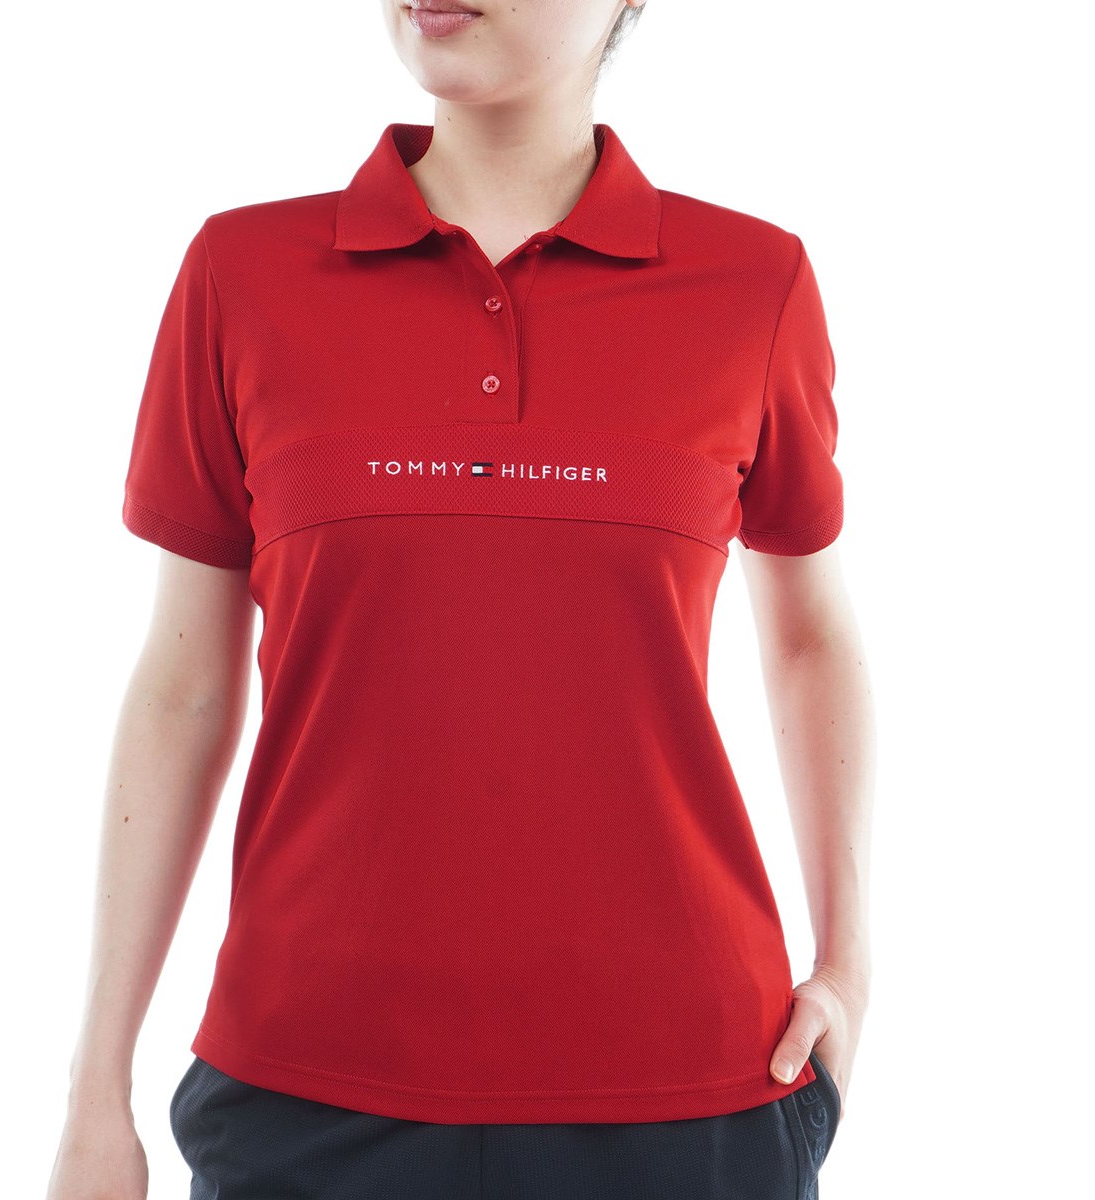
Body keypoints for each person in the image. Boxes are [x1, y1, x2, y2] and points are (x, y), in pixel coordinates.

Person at [46, 1, 875, 1197]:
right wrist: (96, 1090)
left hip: (684, 1102)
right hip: (305, 1096)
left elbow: (811, 639)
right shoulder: (242, 274)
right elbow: (183, 688)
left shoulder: (755, 283)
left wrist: (849, 964)